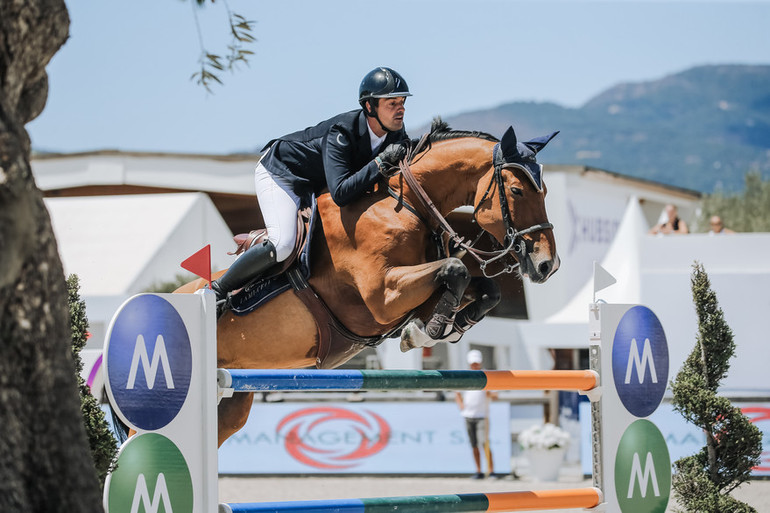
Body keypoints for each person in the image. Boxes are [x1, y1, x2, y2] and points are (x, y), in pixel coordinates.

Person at [212, 67, 412, 301]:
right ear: (369, 107)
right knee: (283, 244)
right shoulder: (342, 132)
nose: (401, 109)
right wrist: (380, 162)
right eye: (392, 103)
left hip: (314, 183)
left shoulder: (396, 133)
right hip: (282, 173)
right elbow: (340, 193)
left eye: (402, 102)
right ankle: (217, 290)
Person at [455, 349, 498, 479]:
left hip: (482, 416)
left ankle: (491, 471)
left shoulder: (486, 375)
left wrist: (489, 393)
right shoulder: (465, 376)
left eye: (476, 363)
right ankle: (478, 470)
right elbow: (457, 392)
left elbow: (495, 395)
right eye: (473, 363)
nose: (475, 365)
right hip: (468, 415)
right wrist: (461, 407)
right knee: (474, 445)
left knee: (484, 443)